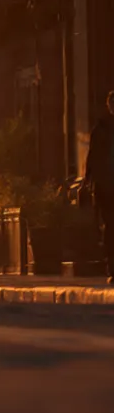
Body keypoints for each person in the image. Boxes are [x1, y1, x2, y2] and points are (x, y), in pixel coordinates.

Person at [85, 90, 114, 284]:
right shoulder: (101, 129)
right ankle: (112, 267)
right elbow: (93, 157)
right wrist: (89, 180)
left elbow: (92, 157)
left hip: (106, 185)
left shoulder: (101, 129)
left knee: (111, 227)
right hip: (106, 187)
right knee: (110, 227)